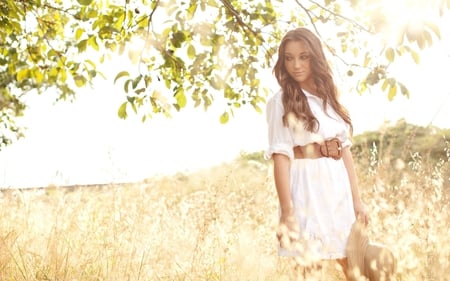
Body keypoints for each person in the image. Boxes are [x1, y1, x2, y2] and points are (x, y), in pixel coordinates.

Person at [264, 27, 369, 280]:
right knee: (309, 271)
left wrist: (357, 200)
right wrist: (287, 212)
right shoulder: (281, 101)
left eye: (303, 56)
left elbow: (344, 151)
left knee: (355, 268)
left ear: (315, 57)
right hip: (306, 190)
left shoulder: (329, 98)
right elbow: (281, 157)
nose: (296, 65)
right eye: (288, 58)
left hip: (337, 188)